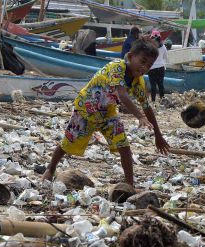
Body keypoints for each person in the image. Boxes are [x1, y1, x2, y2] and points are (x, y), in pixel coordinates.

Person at [42, 40, 171, 186]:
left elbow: (147, 107)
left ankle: (130, 185)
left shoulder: (138, 82)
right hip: (86, 109)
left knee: (124, 145)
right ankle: (50, 168)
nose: (144, 67)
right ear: (130, 56)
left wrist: (158, 135)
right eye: (142, 61)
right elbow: (122, 94)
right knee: (69, 142)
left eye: (149, 65)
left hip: (108, 113)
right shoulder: (117, 68)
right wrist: (139, 117)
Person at [148, 30, 168, 104]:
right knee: (160, 85)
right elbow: (166, 57)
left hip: (152, 68)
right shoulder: (163, 47)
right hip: (161, 68)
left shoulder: (150, 47)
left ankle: (153, 101)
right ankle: (162, 100)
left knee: (153, 85)